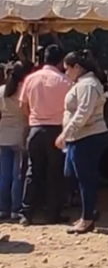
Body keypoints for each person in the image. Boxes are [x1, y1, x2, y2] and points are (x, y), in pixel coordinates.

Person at [57, 50, 108, 234]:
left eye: (67, 69)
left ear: (77, 67)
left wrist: (66, 133)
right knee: (72, 174)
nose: (66, 73)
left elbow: (83, 112)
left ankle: (87, 217)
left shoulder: (88, 85)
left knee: (85, 178)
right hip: (79, 137)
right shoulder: (83, 83)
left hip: (88, 136)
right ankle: (90, 211)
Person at [18, 45, 72, 226]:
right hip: (56, 130)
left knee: (32, 171)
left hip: (35, 128)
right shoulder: (65, 81)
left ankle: (26, 213)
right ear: (60, 61)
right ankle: (53, 213)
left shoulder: (31, 79)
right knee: (55, 173)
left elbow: (23, 106)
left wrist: (33, 118)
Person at [0, 62, 29, 221]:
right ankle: (15, 208)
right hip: (20, 135)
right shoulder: (25, 91)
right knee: (18, 174)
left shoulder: (1, 91)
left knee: (4, 175)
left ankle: (3, 208)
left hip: (3, 135)